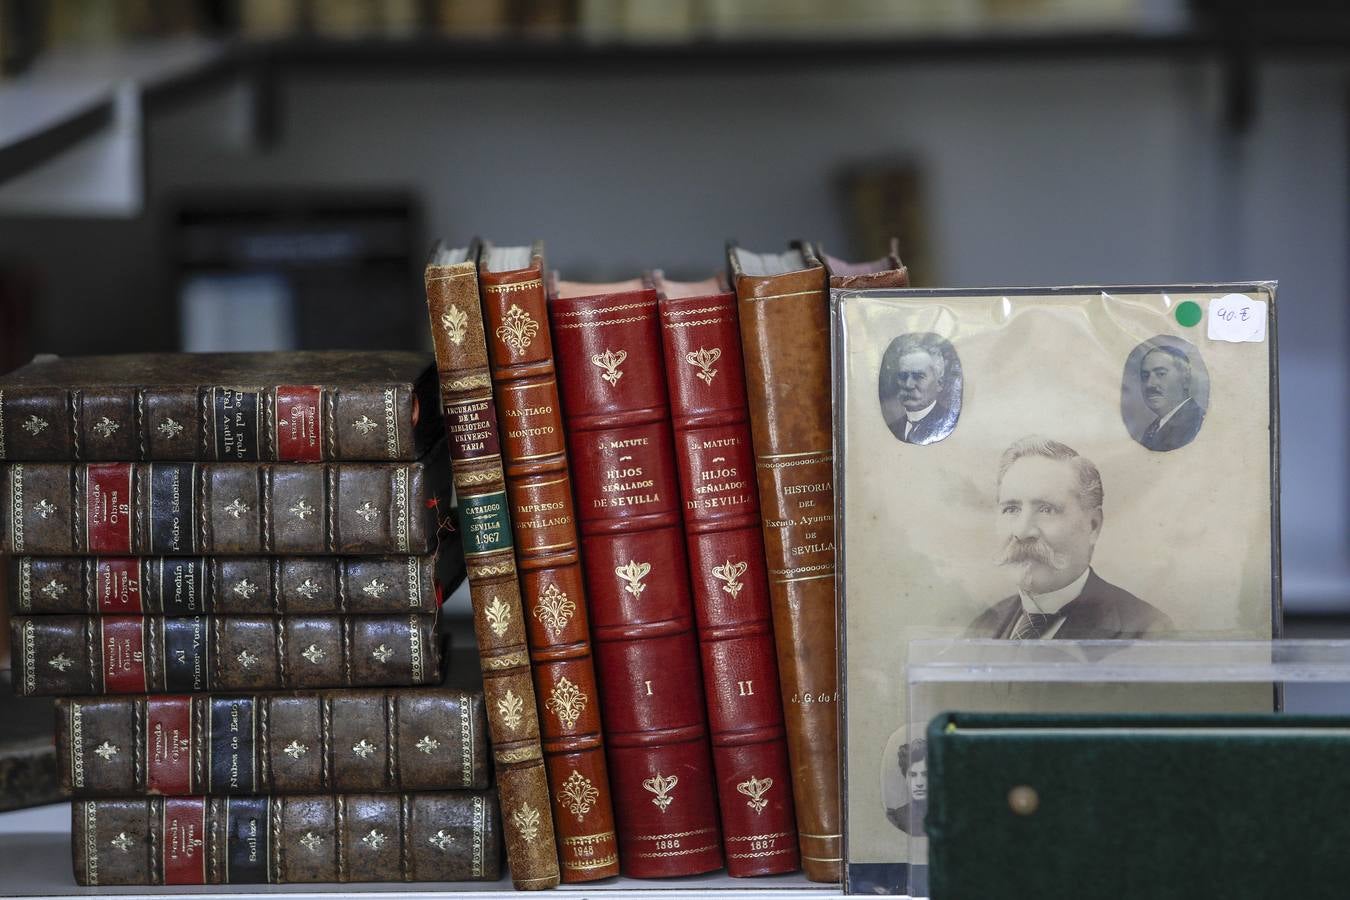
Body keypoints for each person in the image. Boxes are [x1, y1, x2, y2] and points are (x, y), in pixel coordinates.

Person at [966, 436, 1172, 640]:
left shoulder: (1148, 631)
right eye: (1011, 509)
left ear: (1093, 525)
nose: (1022, 531)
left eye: (1046, 509)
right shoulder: (983, 626)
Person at [880, 334, 957, 444]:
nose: (908, 385)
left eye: (918, 376)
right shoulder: (893, 426)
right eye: (903, 376)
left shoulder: (947, 424)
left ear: (939, 383)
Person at [1138, 344, 1205, 451]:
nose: (1149, 384)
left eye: (1161, 374)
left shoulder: (1195, 424)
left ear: (1185, 379)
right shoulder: (1153, 429)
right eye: (1145, 376)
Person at [886, 740, 927, 835]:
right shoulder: (897, 818)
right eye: (913, 775)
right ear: (906, 778)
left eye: (925, 774)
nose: (919, 783)